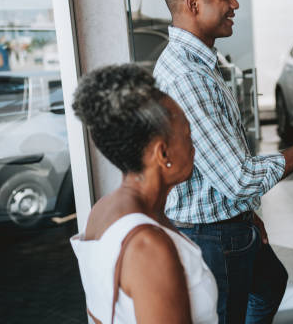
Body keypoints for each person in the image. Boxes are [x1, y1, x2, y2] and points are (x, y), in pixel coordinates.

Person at [154, 0, 293, 324]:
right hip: (212, 235)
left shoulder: (196, 62)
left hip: (228, 219)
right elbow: (239, 178)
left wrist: (246, 213)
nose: (235, 4)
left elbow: (223, 165)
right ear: (193, 3)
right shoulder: (188, 77)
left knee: (271, 283)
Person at [70, 64, 218, 323]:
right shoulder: (149, 246)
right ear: (163, 154)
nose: (194, 146)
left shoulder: (103, 210)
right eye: (187, 135)